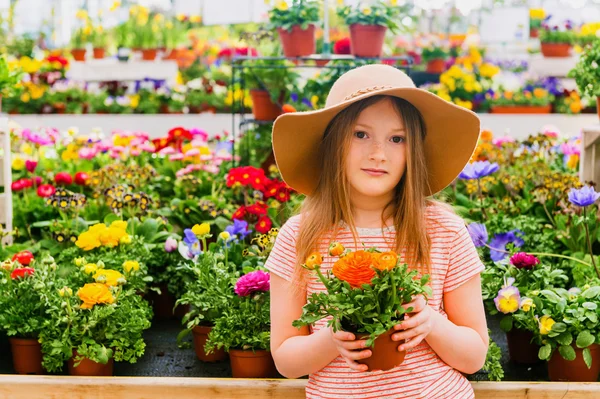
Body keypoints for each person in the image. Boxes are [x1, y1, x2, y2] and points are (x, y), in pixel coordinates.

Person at [264, 64, 489, 399]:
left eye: (397, 139)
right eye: (360, 134)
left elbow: (474, 355)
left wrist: (430, 322)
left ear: (413, 152)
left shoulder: (444, 231)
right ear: (332, 143)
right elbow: (285, 359)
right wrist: (332, 338)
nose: (378, 154)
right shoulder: (301, 236)